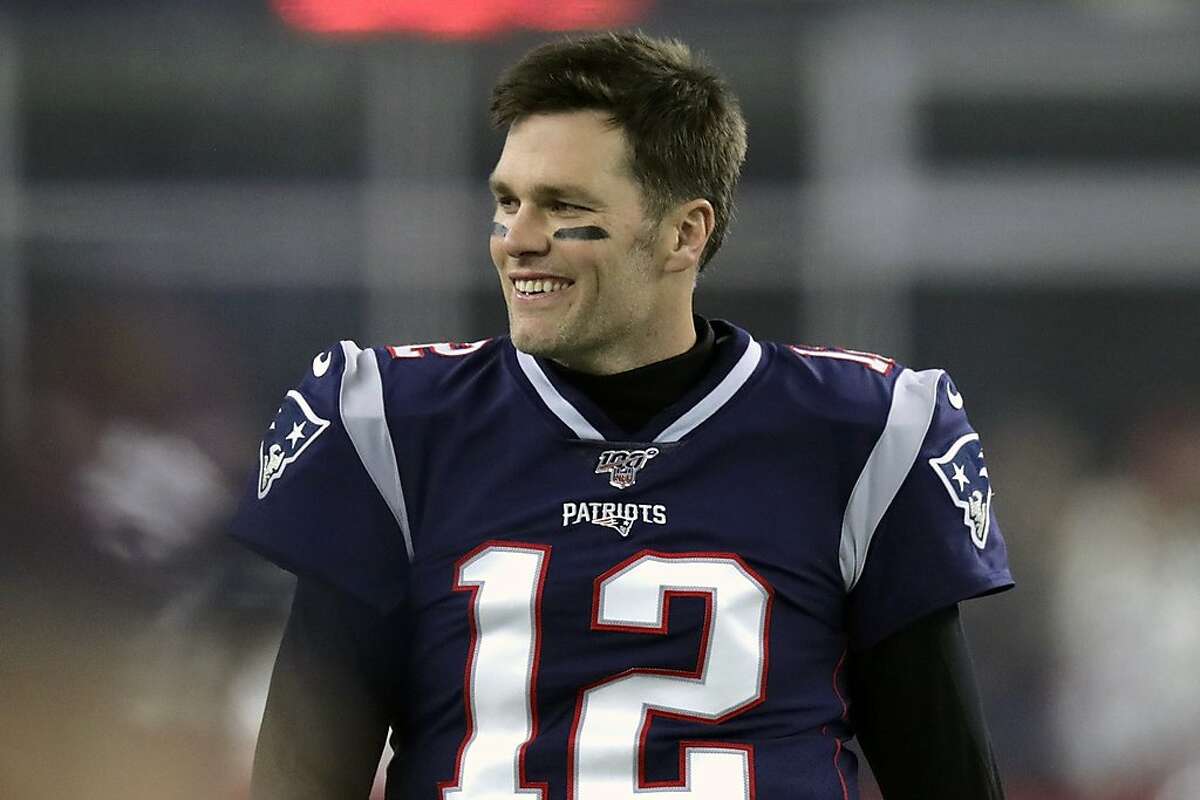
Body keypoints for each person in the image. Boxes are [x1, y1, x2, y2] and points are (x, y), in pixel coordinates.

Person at [233, 31, 1013, 799]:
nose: (519, 240)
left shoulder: (859, 434)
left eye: (564, 206)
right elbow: (302, 776)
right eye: (508, 201)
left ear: (683, 232)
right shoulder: (394, 428)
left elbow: (943, 775)